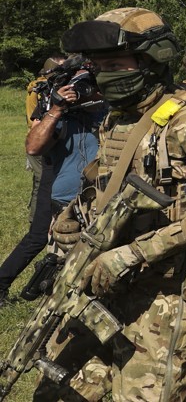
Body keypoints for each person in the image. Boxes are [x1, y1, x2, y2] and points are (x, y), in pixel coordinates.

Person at [33, 7, 186, 401]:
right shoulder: (117, 119)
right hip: (99, 284)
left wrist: (132, 255)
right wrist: (72, 219)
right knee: (56, 390)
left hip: (161, 293)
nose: (105, 75)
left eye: (115, 64)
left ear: (152, 62)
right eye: (98, 66)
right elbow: (107, 185)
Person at [0, 64, 104, 308]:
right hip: (58, 183)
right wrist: (57, 108)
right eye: (78, 84)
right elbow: (33, 146)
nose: (83, 89)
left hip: (98, 189)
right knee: (39, 237)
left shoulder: (108, 107)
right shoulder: (56, 108)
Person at [24, 55, 65, 226]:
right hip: (40, 136)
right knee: (42, 180)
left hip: (45, 136)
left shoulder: (42, 87)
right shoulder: (40, 89)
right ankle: (37, 219)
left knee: (40, 180)